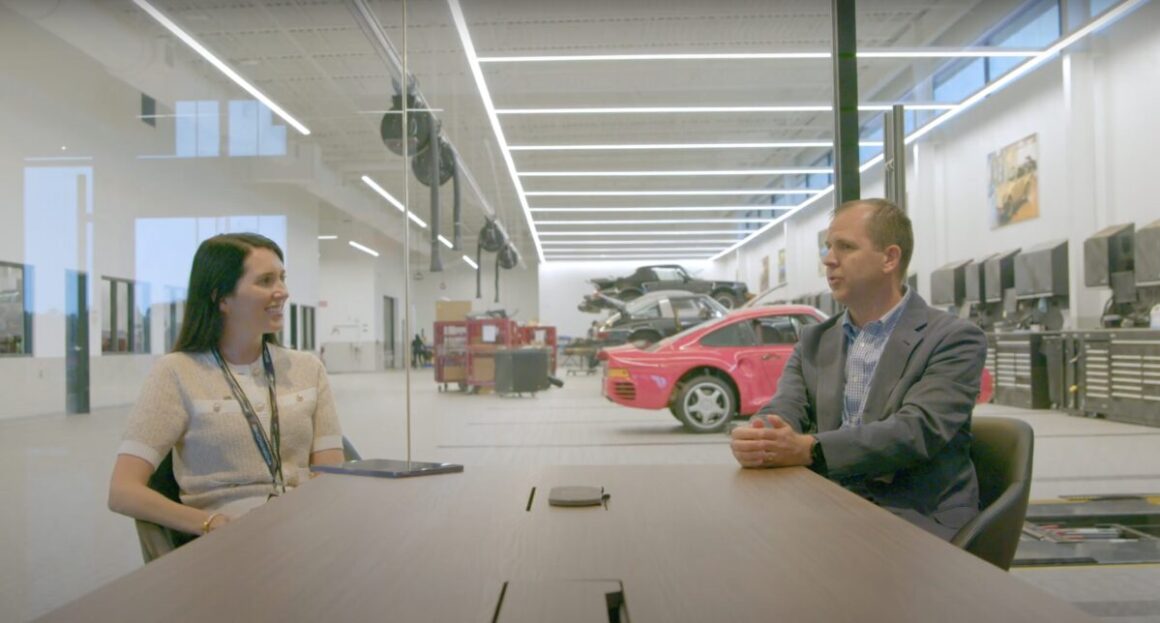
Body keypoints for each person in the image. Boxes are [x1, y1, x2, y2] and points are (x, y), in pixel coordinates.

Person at [730, 198, 986, 540]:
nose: (828, 259)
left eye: (845, 247)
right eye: (828, 247)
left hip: (914, 516)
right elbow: (786, 405)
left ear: (889, 258)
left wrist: (810, 449)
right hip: (828, 504)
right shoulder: (815, 340)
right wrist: (763, 436)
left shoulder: (954, 339)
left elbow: (915, 431)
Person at [108, 233, 344, 537]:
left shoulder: (307, 369)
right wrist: (211, 524)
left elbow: (332, 474)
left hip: (300, 532)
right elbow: (122, 491)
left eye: (282, 278)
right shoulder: (176, 373)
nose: (282, 292)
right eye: (266, 281)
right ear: (222, 298)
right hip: (224, 543)